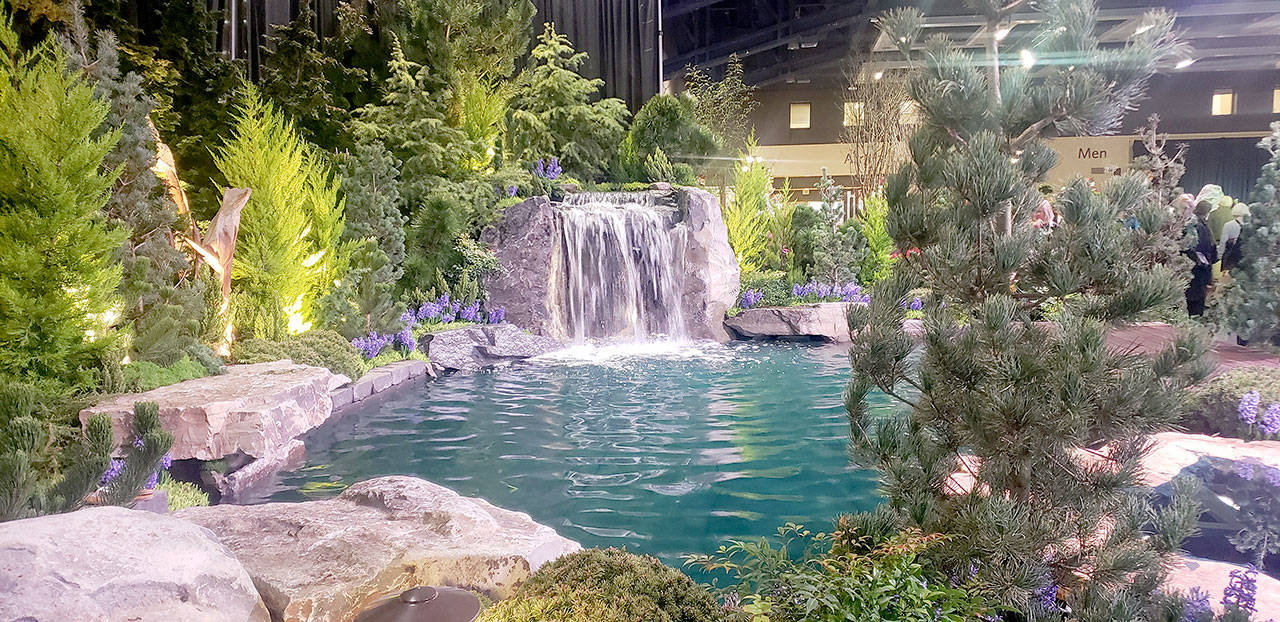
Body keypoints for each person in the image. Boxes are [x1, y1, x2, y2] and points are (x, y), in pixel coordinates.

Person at [1184, 200, 1218, 316]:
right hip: (1199, 266)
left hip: (1194, 265)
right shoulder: (1200, 225)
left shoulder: (1193, 223)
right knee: (1196, 297)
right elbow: (1204, 246)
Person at [1219, 202, 1250, 274]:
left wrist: (1219, 256)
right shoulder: (1250, 226)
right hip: (1245, 257)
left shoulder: (1228, 225)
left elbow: (1223, 242)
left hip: (1231, 258)